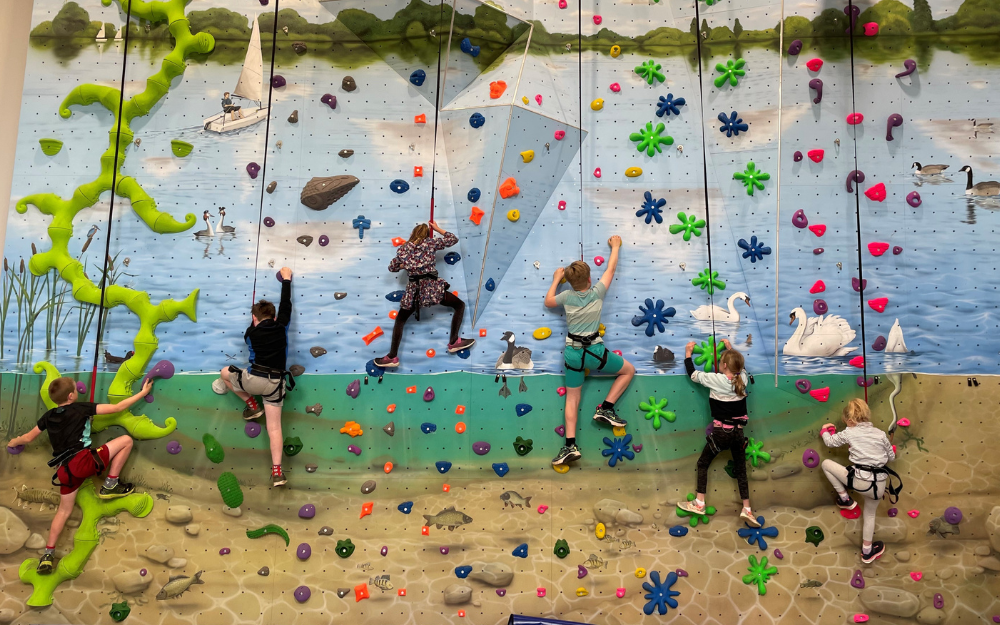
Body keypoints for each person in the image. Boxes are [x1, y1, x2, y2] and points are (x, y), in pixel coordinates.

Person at [5, 377, 153, 574]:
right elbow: (117, 407)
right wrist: (143, 393)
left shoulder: (48, 416)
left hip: (64, 471)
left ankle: (47, 555)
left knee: (63, 511)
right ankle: (111, 483)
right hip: (83, 462)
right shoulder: (81, 408)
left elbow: (28, 437)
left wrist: (14, 442)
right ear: (71, 396)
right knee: (126, 440)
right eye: (75, 390)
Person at [545, 236, 635, 466]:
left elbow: (548, 302)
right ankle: (606, 408)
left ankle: (570, 445)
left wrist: (555, 280)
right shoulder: (597, 292)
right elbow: (610, 268)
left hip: (573, 354)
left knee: (572, 399)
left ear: (569, 282)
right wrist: (615, 246)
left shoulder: (566, 296)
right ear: (589, 278)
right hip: (595, 352)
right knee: (628, 371)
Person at [213, 267, 295, 487]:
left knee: (225, 373)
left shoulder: (250, 333)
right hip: (275, 384)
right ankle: (277, 473)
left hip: (254, 381)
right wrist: (286, 280)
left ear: (254, 318)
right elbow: (286, 305)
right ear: (274, 317)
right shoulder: (282, 326)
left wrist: (254, 319)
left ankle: (252, 405)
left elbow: (254, 327)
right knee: (274, 428)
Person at [677, 340, 761, 528]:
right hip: (738, 434)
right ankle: (747, 508)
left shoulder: (716, 379)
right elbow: (741, 368)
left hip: (721, 433)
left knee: (703, 463)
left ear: (723, 365)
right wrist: (730, 349)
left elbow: (693, 375)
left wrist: (688, 353)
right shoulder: (743, 379)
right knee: (741, 470)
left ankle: (699, 503)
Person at [374, 221, 476, 368]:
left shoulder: (404, 249)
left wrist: (406, 264)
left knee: (400, 321)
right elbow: (452, 239)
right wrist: (437, 228)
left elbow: (392, 267)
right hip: (432, 289)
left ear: (412, 233)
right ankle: (453, 341)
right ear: (427, 234)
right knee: (459, 305)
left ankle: (392, 356)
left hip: (414, 292)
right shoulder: (430, 243)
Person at [821, 398, 901, 564]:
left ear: (850, 420)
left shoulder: (849, 432)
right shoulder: (880, 434)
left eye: (846, 421)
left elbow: (829, 442)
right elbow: (891, 457)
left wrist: (824, 430)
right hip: (879, 486)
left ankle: (845, 499)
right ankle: (867, 551)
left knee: (826, 464)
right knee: (870, 515)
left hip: (860, 481)